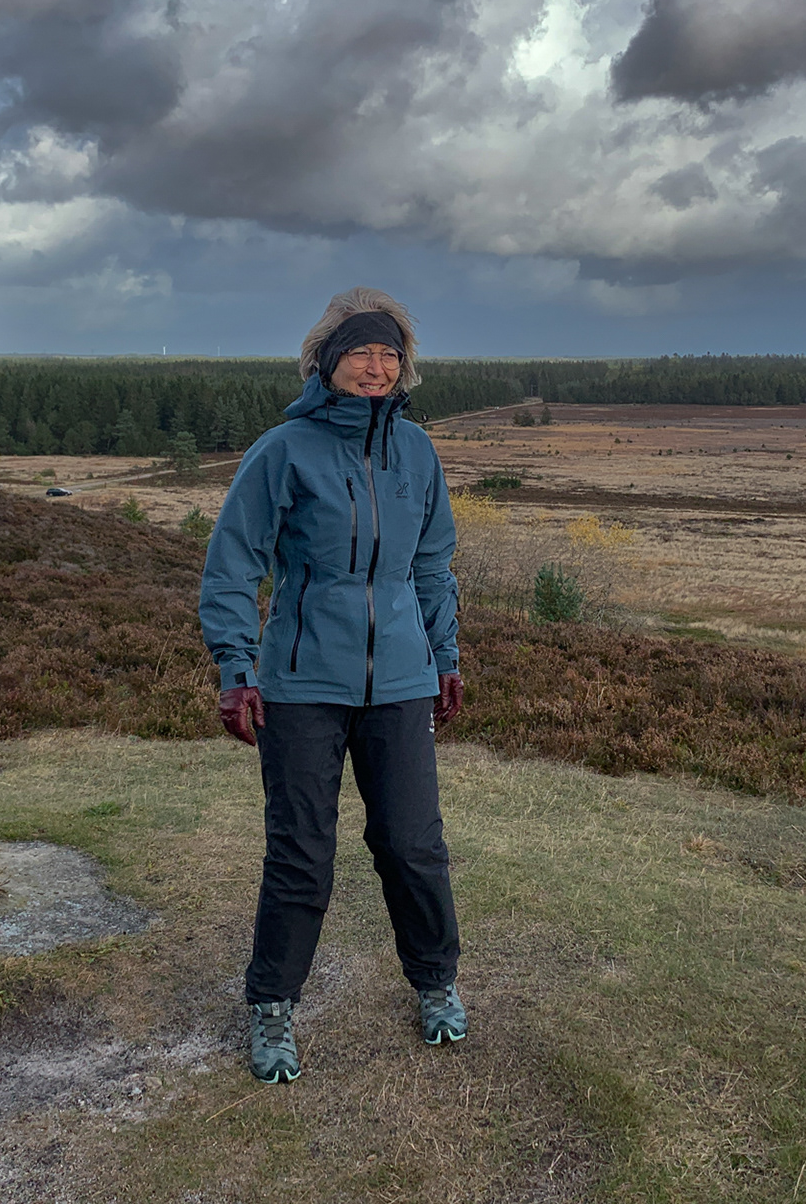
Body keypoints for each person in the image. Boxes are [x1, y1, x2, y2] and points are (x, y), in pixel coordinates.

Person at [198, 286, 466, 1086]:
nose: (376, 367)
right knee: (302, 853)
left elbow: (430, 563)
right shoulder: (284, 450)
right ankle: (272, 1006)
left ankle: (436, 983)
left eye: (389, 354)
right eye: (361, 352)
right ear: (326, 362)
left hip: (401, 683)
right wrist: (236, 669)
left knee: (413, 845)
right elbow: (234, 563)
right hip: (303, 679)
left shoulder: (417, 453)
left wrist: (444, 655)